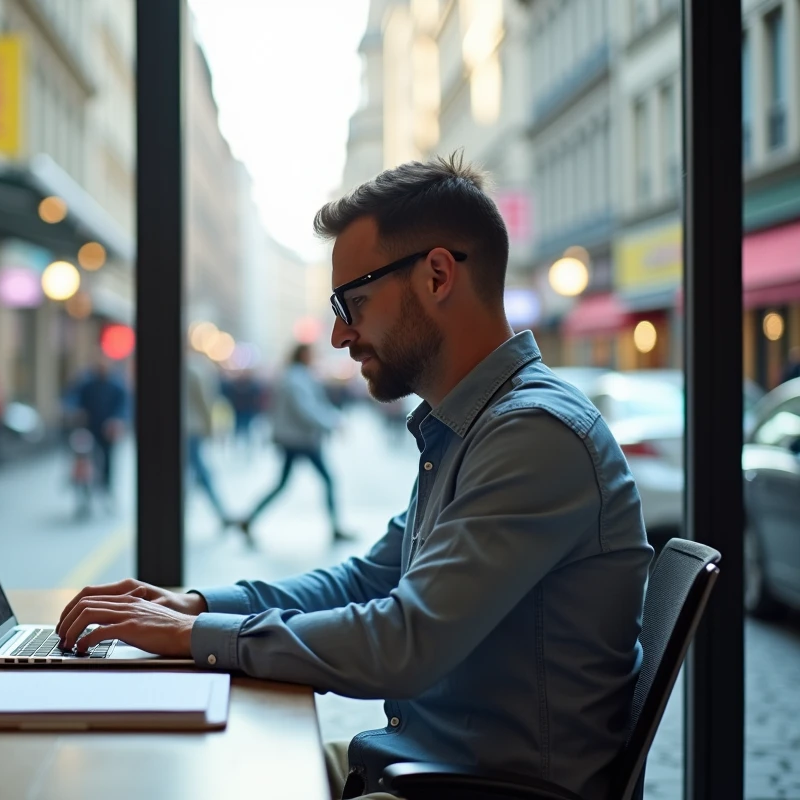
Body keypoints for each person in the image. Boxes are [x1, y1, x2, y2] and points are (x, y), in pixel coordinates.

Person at [52, 155, 653, 800]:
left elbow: (403, 641)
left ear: (438, 275)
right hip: (424, 769)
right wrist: (197, 607)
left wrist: (195, 637)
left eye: (353, 302)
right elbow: (366, 580)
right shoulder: (472, 428)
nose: (340, 334)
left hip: (476, 789)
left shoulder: (532, 436)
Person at [237, 343, 350, 546]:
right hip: (300, 440)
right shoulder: (296, 379)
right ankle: (335, 528)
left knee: (283, 484)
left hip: (295, 438)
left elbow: (311, 406)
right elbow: (306, 409)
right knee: (327, 480)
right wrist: (332, 424)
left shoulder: (294, 376)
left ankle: (249, 519)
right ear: (303, 356)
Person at [64, 360, 129, 503]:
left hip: (107, 428)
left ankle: (106, 487)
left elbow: (123, 406)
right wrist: (73, 409)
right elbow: (74, 397)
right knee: (81, 453)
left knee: (107, 457)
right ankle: (82, 481)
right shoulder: (87, 383)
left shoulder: (116, 385)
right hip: (88, 426)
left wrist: (117, 420)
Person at [186, 352, 231, 526]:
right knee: (200, 471)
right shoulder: (196, 371)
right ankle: (220, 511)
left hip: (189, 429)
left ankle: (219, 510)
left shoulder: (192, 370)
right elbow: (205, 401)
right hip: (193, 428)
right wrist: (210, 428)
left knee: (197, 469)